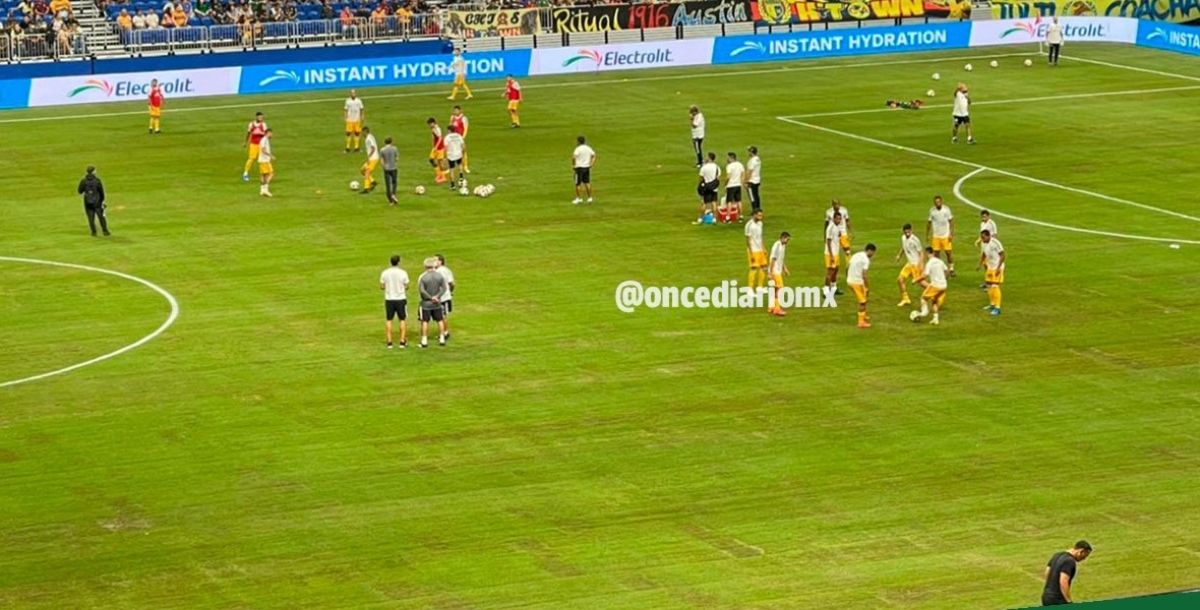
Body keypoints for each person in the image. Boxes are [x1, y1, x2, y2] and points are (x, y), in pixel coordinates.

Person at [1042, 541, 1093, 606]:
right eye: (1084, 556)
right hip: (1058, 598)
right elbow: (1063, 580)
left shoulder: (1056, 555)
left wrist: (1050, 587)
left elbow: (1047, 572)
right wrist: (1068, 600)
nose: (1084, 559)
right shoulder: (1069, 561)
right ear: (1081, 551)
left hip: (1046, 596)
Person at [417, 257, 448, 348]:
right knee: (440, 320)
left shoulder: (423, 277)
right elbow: (444, 288)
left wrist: (430, 298)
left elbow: (422, 291)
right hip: (437, 303)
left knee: (425, 321)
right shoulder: (439, 276)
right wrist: (437, 297)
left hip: (426, 303)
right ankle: (442, 338)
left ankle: (424, 340)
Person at [912, 247, 947, 325]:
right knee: (934, 300)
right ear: (933, 253)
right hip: (944, 285)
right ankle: (935, 319)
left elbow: (924, 275)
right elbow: (946, 270)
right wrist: (943, 279)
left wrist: (915, 280)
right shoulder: (940, 261)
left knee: (923, 298)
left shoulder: (929, 263)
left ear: (927, 253)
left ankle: (923, 313)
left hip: (935, 285)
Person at [380, 254, 409, 349]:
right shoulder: (403, 272)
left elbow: (382, 286)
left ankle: (389, 341)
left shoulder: (385, 273)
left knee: (389, 319)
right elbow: (406, 285)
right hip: (400, 298)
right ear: (399, 262)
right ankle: (402, 341)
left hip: (389, 299)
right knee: (402, 319)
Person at [846, 244, 876, 329]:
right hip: (856, 282)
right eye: (873, 253)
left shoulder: (856, 254)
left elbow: (847, 266)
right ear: (870, 251)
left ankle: (864, 315)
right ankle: (861, 322)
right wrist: (867, 285)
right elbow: (864, 275)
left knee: (865, 295)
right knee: (862, 301)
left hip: (850, 280)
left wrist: (848, 276)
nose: (873, 255)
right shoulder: (866, 260)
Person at [895, 223, 924, 307]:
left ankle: (935, 293)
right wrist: (899, 255)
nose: (907, 233)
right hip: (909, 264)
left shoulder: (915, 240)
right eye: (906, 231)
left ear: (911, 230)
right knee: (900, 279)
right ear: (903, 232)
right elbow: (904, 247)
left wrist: (921, 264)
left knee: (921, 283)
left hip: (915, 264)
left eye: (909, 231)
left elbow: (921, 253)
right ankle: (905, 299)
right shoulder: (903, 238)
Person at [926, 195, 956, 275]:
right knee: (936, 253)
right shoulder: (932, 211)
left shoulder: (946, 210)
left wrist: (951, 234)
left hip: (945, 235)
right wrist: (927, 234)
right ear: (934, 203)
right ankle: (941, 269)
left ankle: (951, 269)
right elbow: (929, 223)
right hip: (936, 235)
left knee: (948, 252)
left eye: (939, 202)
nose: (937, 203)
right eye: (936, 202)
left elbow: (951, 221)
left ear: (941, 201)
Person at [77, 165, 110, 236]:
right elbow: (101, 192)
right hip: (97, 201)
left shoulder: (83, 181)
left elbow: (79, 191)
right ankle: (105, 231)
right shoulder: (97, 181)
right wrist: (102, 200)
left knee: (90, 217)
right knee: (101, 216)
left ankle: (94, 232)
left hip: (88, 201)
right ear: (93, 172)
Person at [979, 229, 1005, 316]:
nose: (982, 239)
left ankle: (998, 308)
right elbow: (984, 254)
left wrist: (998, 268)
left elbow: (1003, 255)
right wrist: (980, 264)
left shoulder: (995, 243)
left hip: (997, 267)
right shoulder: (985, 244)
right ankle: (992, 304)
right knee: (989, 285)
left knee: (995, 286)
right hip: (990, 267)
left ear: (988, 235)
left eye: (983, 237)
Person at [693, 152, 720, 225]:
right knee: (714, 202)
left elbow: (701, 178)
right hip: (714, 188)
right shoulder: (717, 167)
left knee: (704, 203)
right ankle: (714, 218)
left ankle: (700, 219)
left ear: (709, 158)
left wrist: (701, 186)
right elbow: (718, 178)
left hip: (706, 187)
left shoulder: (704, 167)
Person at [767, 231, 790, 316]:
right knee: (780, 289)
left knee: (775, 289)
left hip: (778, 270)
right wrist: (770, 272)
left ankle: (771, 307)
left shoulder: (783, 246)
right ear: (783, 238)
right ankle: (777, 309)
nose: (788, 241)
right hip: (775, 271)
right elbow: (773, 259)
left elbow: (781, 259)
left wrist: (785, 269)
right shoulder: (777, 246)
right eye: (787, 239)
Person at [824, 211, 846, 296]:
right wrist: (831, 255)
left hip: (835, 253)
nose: (839, 220)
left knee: (836, 270)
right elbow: (828, 242)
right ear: (833, 218)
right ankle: (826, 292)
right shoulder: (831, 227)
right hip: (831, 254)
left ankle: (834, 288)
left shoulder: (837, 227)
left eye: (840, 219)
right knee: (830, 272)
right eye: (837, 219)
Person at [824, 198, 852, 263]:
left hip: (843, 233)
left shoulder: (844, 210)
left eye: (838, 204)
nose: (837, 206)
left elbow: (847, 221)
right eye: (835, 205)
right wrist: (825, 236)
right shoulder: (828, 212)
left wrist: (850, 232)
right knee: (834, 250)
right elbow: (826, 224)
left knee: (847, 249)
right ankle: (834, 263)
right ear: (832, 205)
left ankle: (849, 263)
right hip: (833, 234)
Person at [242, 111, 268, 182]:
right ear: (256, 117)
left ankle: (264, 174)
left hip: (261, 145)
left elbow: (266, 135)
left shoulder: (264, 125)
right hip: (253, 144)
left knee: (262, 159)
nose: (261, 118)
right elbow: (248, 133)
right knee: (251, 158)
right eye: (260, 117)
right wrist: (245, 142)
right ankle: (245, 173)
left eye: (262, 117)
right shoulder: (251, 124)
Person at [744, 209, 766, 289]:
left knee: (763, 267)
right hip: (753, 250)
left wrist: (763, 248)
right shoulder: (749, 225)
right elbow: (748, 240)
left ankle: (760, 287)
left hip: (760, 249)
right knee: (753, 268)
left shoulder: (760, 223)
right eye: (759, 215)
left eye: (761, 215)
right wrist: (751, 253)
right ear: (754, 215)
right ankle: (750, 289)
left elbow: (760, 237)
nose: (761, 217)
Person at [571, 135, 595, 205]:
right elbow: (594, 155)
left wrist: (574, 165)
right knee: (587, 182)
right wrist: (591, 164)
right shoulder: (588, 148)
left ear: (578, 141)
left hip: (579, 168)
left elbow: (573, 157)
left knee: (578, 183)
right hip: (586, 167)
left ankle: (579, 198)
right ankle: (590, 198)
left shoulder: (578, 149)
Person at [435, 254, 455, 337]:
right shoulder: (447, 270)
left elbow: (451, 284)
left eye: (435, 260)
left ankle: (445, 332)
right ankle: (443, 332)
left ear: (440, 261)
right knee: (441, 315)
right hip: (444, 296)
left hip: (443, 297)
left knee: (443, 315)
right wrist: (450, 291)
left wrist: (448, 291)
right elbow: (452, 283)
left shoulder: (440, 271)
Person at [722, 152, 745, 224]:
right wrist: (741, 182)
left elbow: (728, 176)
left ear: (731, 158)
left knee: (729, 201)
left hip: (731, 185)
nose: (727, 159)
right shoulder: (740, 164)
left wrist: (725, 184)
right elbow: (743, 174)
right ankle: (741, 216)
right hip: (738, 184)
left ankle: (728, 217)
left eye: (728, 158)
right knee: (739, 201)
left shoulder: (729, 166)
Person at [449, 105, 470, 173]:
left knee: (463, 152)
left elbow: (466, 128)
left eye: (456, 110)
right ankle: (453, 167)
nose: (455, 111)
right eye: (454, 110)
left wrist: (463, 137)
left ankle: (465, 167)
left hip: (460, 138)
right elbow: (450, 127)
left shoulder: (464, 118)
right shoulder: (452, 117)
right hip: (453, 138)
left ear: (460, 110)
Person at [343, 89, 364, 153]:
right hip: (350, 120)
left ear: (356, 93)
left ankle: (356, 148)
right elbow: (345, 109)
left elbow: (361, 109)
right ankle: (347, 148)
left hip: (357, 120)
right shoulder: (347, 101)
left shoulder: (359, 101)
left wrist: (362, 116)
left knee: (357, 133)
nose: (353, 94)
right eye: (352, 93)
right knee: (348, 134)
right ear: (350, 94)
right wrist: (345, 117)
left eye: (354, 93)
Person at [427, 117, 447, 183]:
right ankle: (439, 175)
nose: (429, 125)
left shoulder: (437, 129)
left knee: (440, 162)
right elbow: (434, 138)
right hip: (435, 147)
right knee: (431, 159)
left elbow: (440, 138)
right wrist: (433, 146)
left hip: (440, 148)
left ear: (433, 123)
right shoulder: (433, 128)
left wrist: (436, 147)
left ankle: (443, 177)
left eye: (430, 124)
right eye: (429, 124)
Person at [380, 136, 399, 205]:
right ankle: (393, 194)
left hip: (386, 169)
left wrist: (384, 166)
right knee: (394, 182)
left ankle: (390, 201)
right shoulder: (394, 149)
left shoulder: (382, 150)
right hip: (393, 168)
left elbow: (382, 160)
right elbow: (397, 158)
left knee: (387, 185)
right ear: (391, 142)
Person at [360, 125, 378, 194]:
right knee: (362, 171)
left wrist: (369, 157)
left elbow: (373, 148)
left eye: (362, 132)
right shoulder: (370, 136)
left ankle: (366, 188)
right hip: (371, 158)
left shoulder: (369, 138)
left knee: (367, 172)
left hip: (373, 158)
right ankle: (373, 182)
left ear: (365, 132)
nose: (362, 134)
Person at [257, 127, 274, 197]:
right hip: (265, 160)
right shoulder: (264, 140)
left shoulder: (264, 139)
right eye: (271, 133)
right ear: (268, 133)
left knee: (263, 175)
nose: (272, 135)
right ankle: (265, 190)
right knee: (271, 174)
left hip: (262, 160)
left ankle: (261, 190)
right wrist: (271, 155)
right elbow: (263, 150)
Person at [745, 145, 762, 213]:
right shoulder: (757, 159)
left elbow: (749, 172)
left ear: (751, 152)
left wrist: (746, 181)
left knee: (752, 197)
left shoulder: (752, 161)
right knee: (756, 196)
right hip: (757, 180)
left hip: (751, 181)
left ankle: (755, 210)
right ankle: (758, 208)